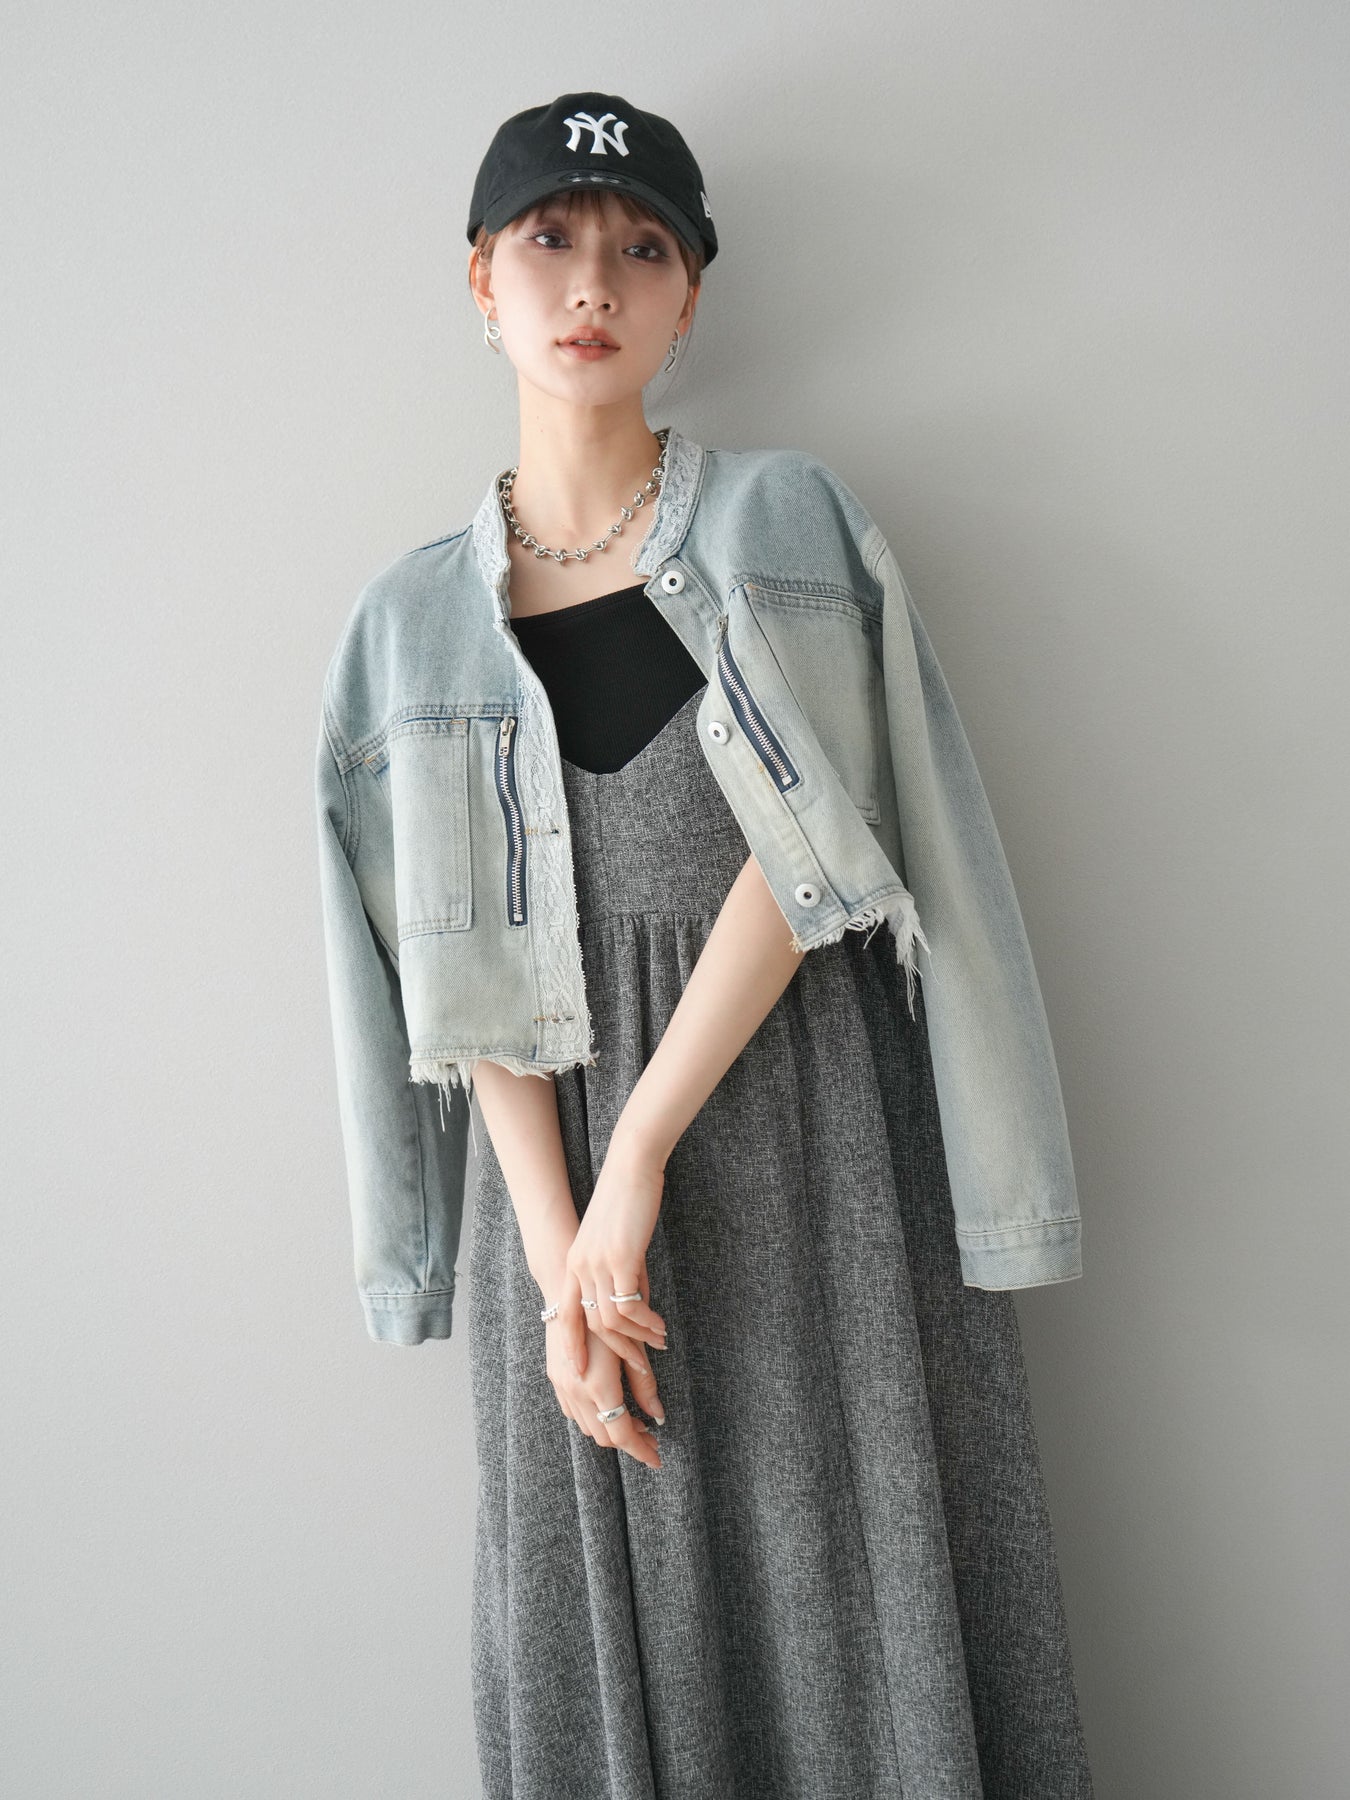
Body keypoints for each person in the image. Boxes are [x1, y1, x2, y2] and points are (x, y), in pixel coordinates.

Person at [316, 90, 1095, 1799]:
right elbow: (455, 982)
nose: (592, 280)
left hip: (807, 1133)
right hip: (549, 1200)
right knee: (600, 1610)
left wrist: (640, 1156)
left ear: (689, 301)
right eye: (549, 239)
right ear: (481, 282)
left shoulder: (784, 522)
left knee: (854, 1591)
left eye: (642, 248)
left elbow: (814, 852)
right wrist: (560, 1263)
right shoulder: (405, 626)